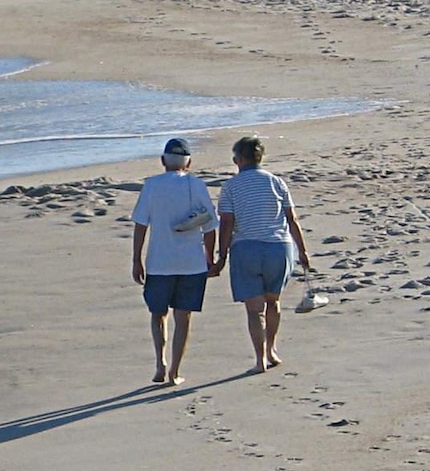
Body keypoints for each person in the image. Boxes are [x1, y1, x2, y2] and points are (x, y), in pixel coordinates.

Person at [209, 136, 310, 374]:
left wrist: (221, 256)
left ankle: (259, 359)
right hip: (279, 247)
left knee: (254, 309)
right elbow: (291, 219)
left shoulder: (231, 186)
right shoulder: (276, 182)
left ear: (240, 159)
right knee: (273, 302)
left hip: (246, 248)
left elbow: (226, 223)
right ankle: (271, 349)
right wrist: (302, 251)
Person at [131, 138, 219, 386]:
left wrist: (136, 259)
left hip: (159, 262)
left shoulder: (152, 185)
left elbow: (141, 225)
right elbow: (210, 227)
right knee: (184, 316)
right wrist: (210, 258)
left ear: (163, 161)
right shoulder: (197, 185)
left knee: (158, 313)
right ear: (189, 162)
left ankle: (160, 363)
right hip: (192, 263)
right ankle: (175, 371)